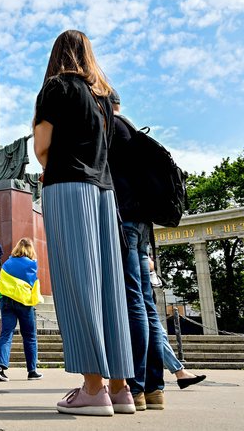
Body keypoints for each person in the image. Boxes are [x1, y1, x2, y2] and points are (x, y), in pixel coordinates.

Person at [33, 30, 135, 416]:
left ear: (57, 54)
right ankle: (120, 388)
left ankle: (93, 388)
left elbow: (43, 147)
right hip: (104, 194)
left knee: (78, 284)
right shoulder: (104, 97)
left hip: (68, 187)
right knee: (110, 288)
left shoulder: (56, 88)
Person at [108, 88, 165, 411]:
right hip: (142, 226)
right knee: (147, 305)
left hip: (126, 222)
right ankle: (156, 389)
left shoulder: (113, 130)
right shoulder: (131, 129)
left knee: (133, 302)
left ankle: (137, 387)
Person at [149, 260, 207, 389]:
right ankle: (179, 373)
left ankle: (179, 373)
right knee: (157, 333)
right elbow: (148, 264)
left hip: (140, 294)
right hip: (138, 295)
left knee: (158, 333)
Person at [0, 238, 44, 382]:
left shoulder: (8, 263)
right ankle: (32, 371)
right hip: (24, 302)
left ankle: (0, 368)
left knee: (6, 334)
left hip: (7, 301)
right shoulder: (32, 264)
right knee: (29, 336)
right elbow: (33, 283)